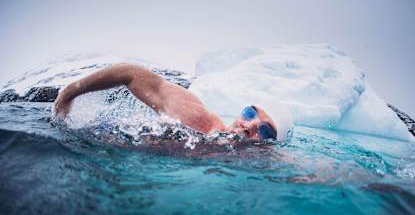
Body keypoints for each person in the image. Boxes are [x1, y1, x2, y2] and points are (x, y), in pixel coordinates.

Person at [53, 63, 293, 142]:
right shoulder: (197, 117)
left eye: (264, 130)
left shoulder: (259, 162)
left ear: (271, 144)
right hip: (89, 137)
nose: (250, 125)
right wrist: (69, 94)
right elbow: (131, 73)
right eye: (251, 113)